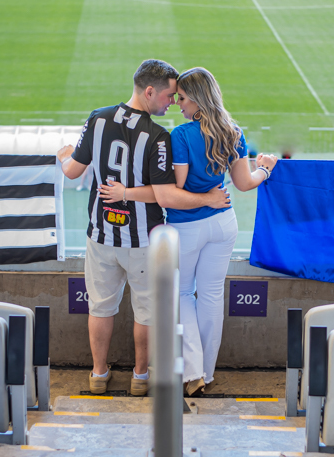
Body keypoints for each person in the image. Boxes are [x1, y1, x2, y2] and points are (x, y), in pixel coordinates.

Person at [57, 59, 231, 397]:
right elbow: (166, 195)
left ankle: (98, 374)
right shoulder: (159, 136)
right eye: (168, 96)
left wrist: (64, 155)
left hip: (101, 235)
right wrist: (208, 198)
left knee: (100, 307)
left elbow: (72, 172)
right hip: (143, 238)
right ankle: (139, 377)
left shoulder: (98, 119)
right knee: (147, 312)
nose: (171, 102)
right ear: (149, 91)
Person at [100, 67, 277, 397]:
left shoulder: (179, 136)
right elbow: (243, 183)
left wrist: (131, 189)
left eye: (181, 98)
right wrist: (264, 169)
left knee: (182, 296)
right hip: (224, 224)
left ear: (196, 98)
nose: (178, 104)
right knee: (211, 296)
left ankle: (192, 372)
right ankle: (206, 374)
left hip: (187, 226)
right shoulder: (233, 132)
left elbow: (175, 188)